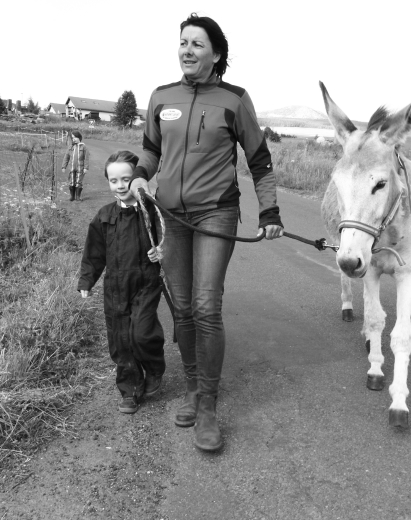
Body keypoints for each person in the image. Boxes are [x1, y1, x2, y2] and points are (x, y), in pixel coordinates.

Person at [129, 13, 283, 452]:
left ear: (216, 54)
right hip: (171, 217)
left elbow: (259, 160)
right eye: (183, 42)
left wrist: (269, 211)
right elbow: (151, 150)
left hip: (216, 213)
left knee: (205, 305)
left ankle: (210, 407)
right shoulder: (161, 96)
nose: (187, 50)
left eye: (197, 44)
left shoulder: (234, 100)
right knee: (180, 308)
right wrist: (141, 175)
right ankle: (194, 388)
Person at [78, 150, 166, 414]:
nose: (120, 186)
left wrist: (162, 250)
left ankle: (153, 369)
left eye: (126, 179)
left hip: (146, 284)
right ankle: (130, 390)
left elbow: (168, 239)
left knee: (141, 333)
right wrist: (86, 280)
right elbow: (94, 253)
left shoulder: (152, 212)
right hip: (115, 288)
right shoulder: (104, 216)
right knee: (120, 341)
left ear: (139, 179)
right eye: (113, 180)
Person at [62, 130, 89, 201]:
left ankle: (78, 197)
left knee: (79, 182)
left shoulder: (83, 147)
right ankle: (72, 196)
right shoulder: (70, 147)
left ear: (79, 137)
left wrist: (86, 168)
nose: (73, 139)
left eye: (74, 138)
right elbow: (66, 157)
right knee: (72, 181)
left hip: (80, 168)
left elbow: (86, 158)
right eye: (72, 138)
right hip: (72, 168)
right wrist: (64, 166)